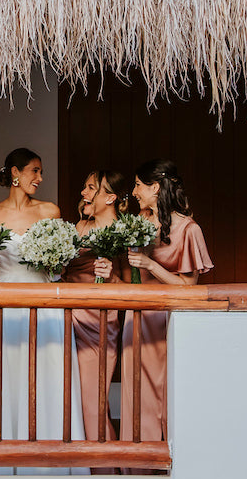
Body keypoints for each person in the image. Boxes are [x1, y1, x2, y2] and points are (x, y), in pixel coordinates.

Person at [0, 147, 86, 474]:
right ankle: (0, 455)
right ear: (15, 173)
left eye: (40, 172)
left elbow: (61, 262)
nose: (39, 178)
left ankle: (52, 457)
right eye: (34, 171)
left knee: (48, 372)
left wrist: (54, 263)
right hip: (5, 306)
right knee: (6, 375)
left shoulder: (50, 211)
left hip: (45, 303)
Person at [120, 158, 213, 448]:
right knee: (135, 389)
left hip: (170, 321)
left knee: (172, 387)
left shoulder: (188, 229)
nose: (134, 192)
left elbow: (189, 287)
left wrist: (151, 264)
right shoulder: (136, 225)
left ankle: (176, 452)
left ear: (156, 187)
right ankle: (137, 458)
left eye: (138, 185)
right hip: (138, 317)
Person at [63, 170, 130, 446]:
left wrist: (112, 276)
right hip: (66, 315)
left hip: (98, 320)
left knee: (93, 397)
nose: (84, 193)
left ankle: (103, 463)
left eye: (91, 188)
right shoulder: (78, 227)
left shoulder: (124, 232)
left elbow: (132, 287)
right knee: (71, 394)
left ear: (111, 197)